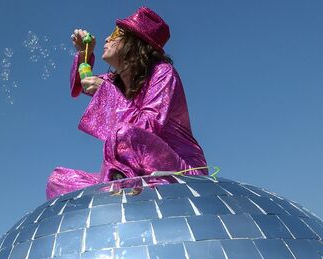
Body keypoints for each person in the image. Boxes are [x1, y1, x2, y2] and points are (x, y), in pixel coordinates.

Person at [47, 6, 207, 199]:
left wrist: (106, 94)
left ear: (135, 43)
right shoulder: (117, 81)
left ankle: (116, 188)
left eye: (116, 34)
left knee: (122, 134)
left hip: (179, 171)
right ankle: (115, 189)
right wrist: (84, 54)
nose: (107, 39)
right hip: (133, 175)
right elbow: (81, 84)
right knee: (58, 180)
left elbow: (147, 127)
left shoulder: (162, 73)